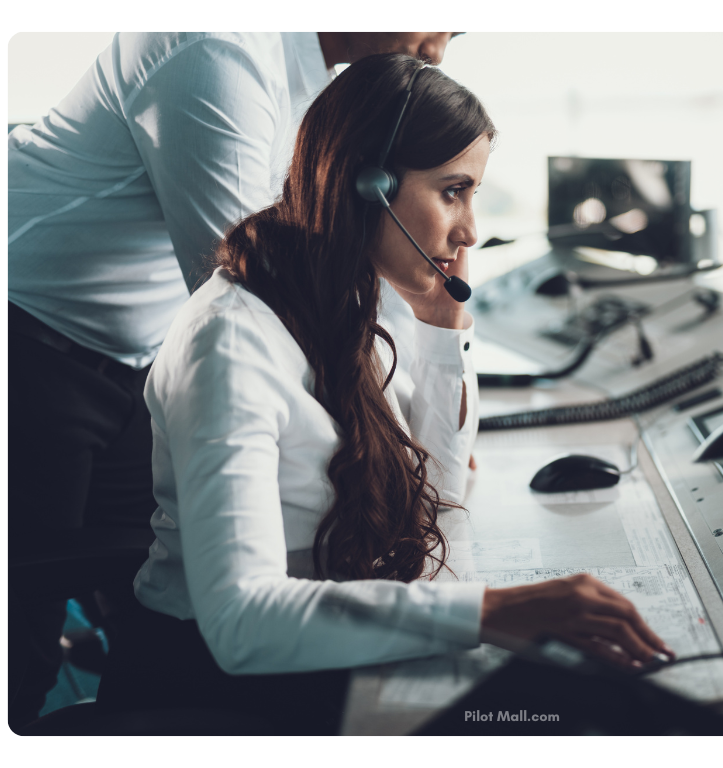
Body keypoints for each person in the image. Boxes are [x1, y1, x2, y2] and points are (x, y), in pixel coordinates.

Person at [94, 54, 672, 736]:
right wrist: (491, 612)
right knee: (546, 714)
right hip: (213, 680)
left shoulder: (340, 302)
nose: (470, 231)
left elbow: (434, 499)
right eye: (452, 191)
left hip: (314, 648)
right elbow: (242, 622)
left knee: (568, 701)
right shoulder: (231, 343)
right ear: (365, 186)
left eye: (474, 194)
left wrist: (441, 329)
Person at [6, 30, 460, 729]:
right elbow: (262, 290)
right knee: (23, 644)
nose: (440, 48)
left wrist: (434, 335)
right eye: (441, 28)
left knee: (168, 576)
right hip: (33, 341)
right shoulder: (215, 54)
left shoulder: (313, 78)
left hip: (130, 356)